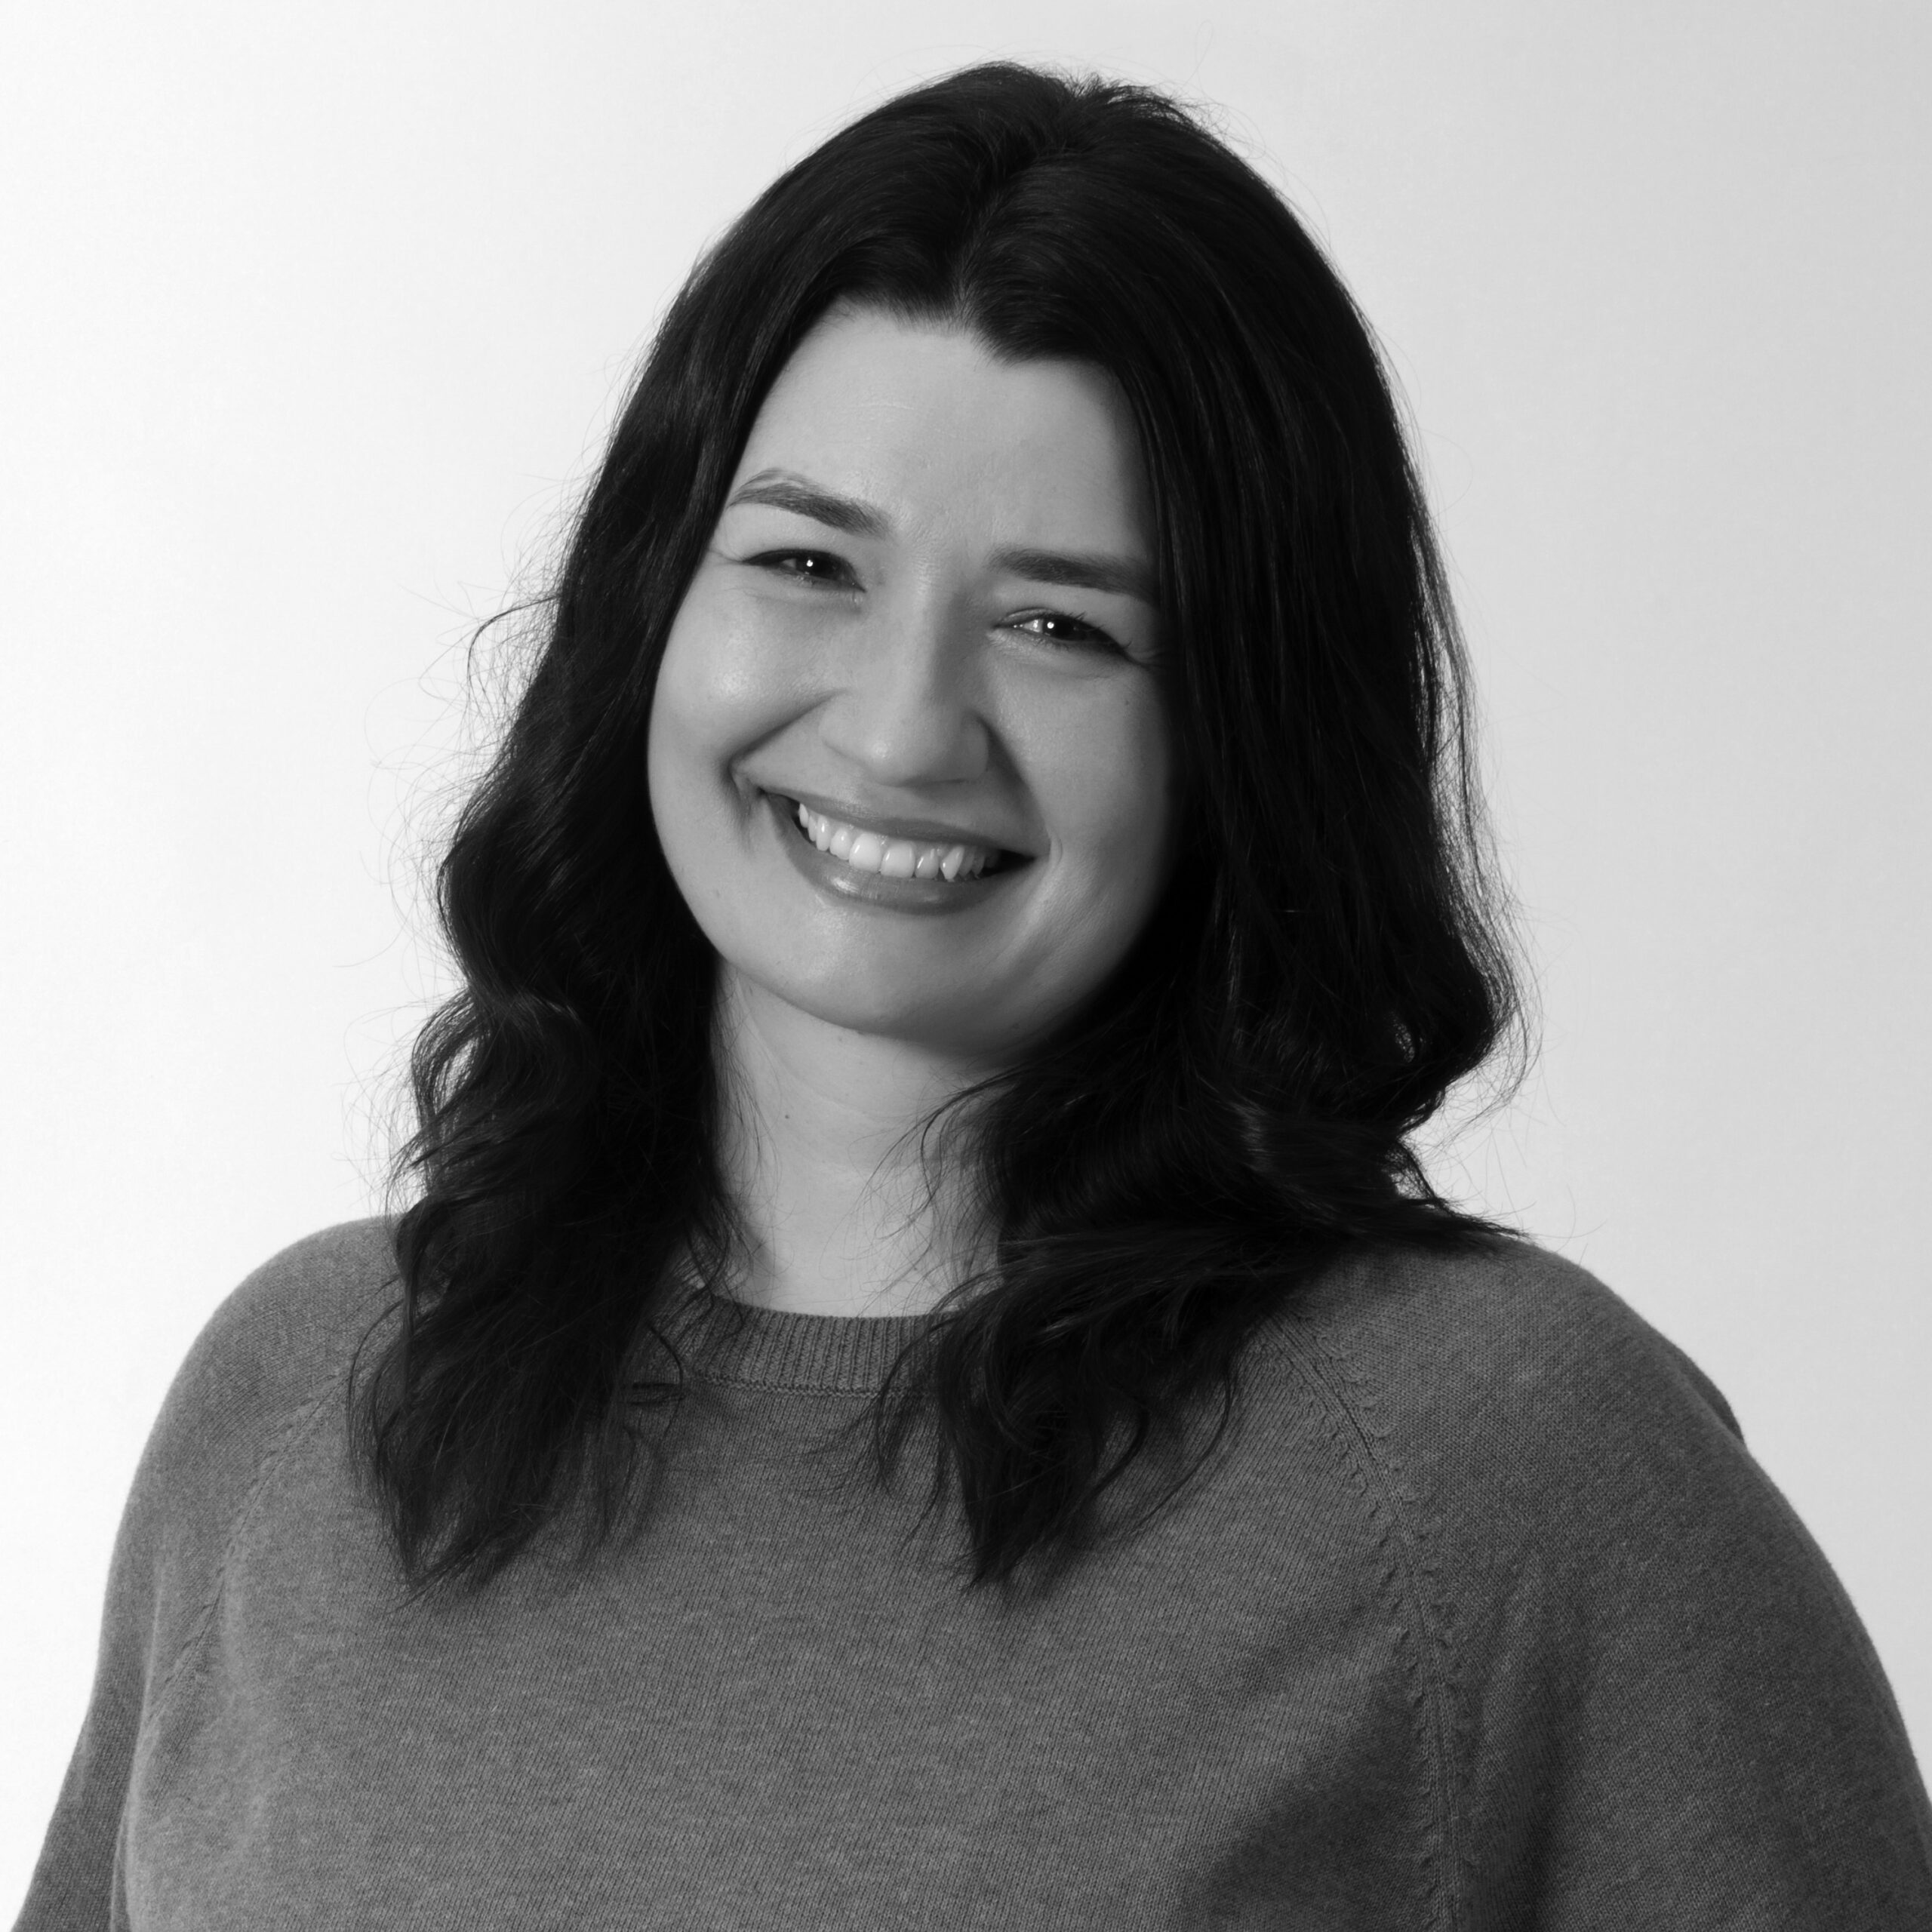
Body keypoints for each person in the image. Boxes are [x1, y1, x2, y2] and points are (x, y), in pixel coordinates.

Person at [19, 62, 1932, 1931]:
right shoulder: (298, 1396)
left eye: (1057, 624)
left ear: (1244, 731)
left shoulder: (1501, 1472)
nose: (899, 725)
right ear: (649, 606)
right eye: (805, 560)